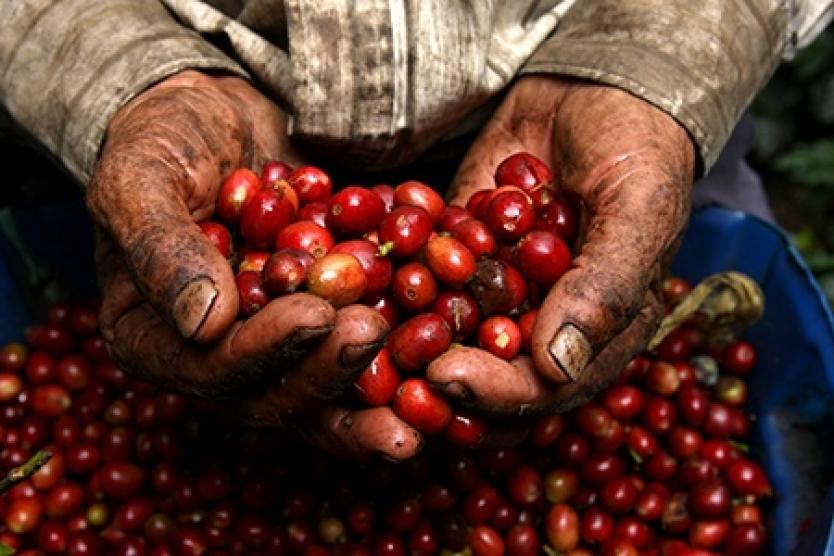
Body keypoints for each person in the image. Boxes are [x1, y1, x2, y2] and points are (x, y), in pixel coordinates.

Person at [1, 0, 832, 461]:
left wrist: (660, 60)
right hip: (170, 109)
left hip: (600, 105)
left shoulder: (455, 246)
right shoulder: (393, 253)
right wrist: (106, 67)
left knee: (645, 281)